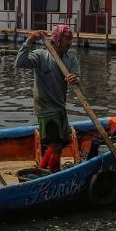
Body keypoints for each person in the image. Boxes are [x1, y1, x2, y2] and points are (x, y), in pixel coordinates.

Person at [16, 24, 79, 172]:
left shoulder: (71, 60)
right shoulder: (40, 56)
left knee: (62, 142)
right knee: (56, 145)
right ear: (57, 39)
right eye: (67, 39)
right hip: (44, 107)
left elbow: (78, 79)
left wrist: (74, 79)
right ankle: (52, 173)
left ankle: (42, 169)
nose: (70, 43)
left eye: (71, 39)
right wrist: (29, 41)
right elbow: (20, 63)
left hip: (59, 106)